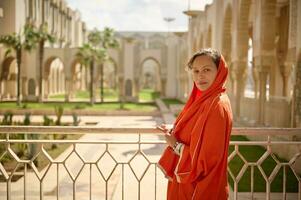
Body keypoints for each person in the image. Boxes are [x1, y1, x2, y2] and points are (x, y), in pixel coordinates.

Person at [157, 48, 233, 200]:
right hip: (187, 184)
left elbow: (207, 160)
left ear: (219, 72)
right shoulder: (204, 102)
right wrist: (177, 129)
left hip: (199, 189)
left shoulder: (216, 105)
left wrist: (175, 145)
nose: (200, 76)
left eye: (207, 70)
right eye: (196, 71)